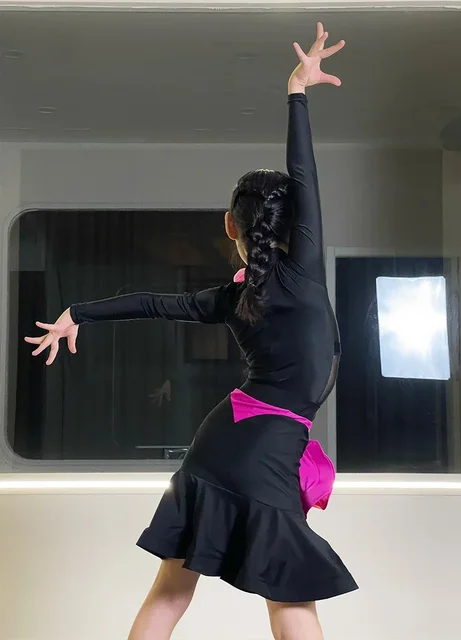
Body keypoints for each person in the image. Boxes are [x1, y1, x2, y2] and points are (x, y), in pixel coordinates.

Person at [25, 23, 357, 640]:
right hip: (261, 448)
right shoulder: (300, 275)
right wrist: (296, 94)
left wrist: (81, 313)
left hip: (225, 445)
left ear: (230, 224)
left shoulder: (236, 296)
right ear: (293, 226)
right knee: (290, 599)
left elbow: (154, 304)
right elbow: (304, 174)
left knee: (174, 591)